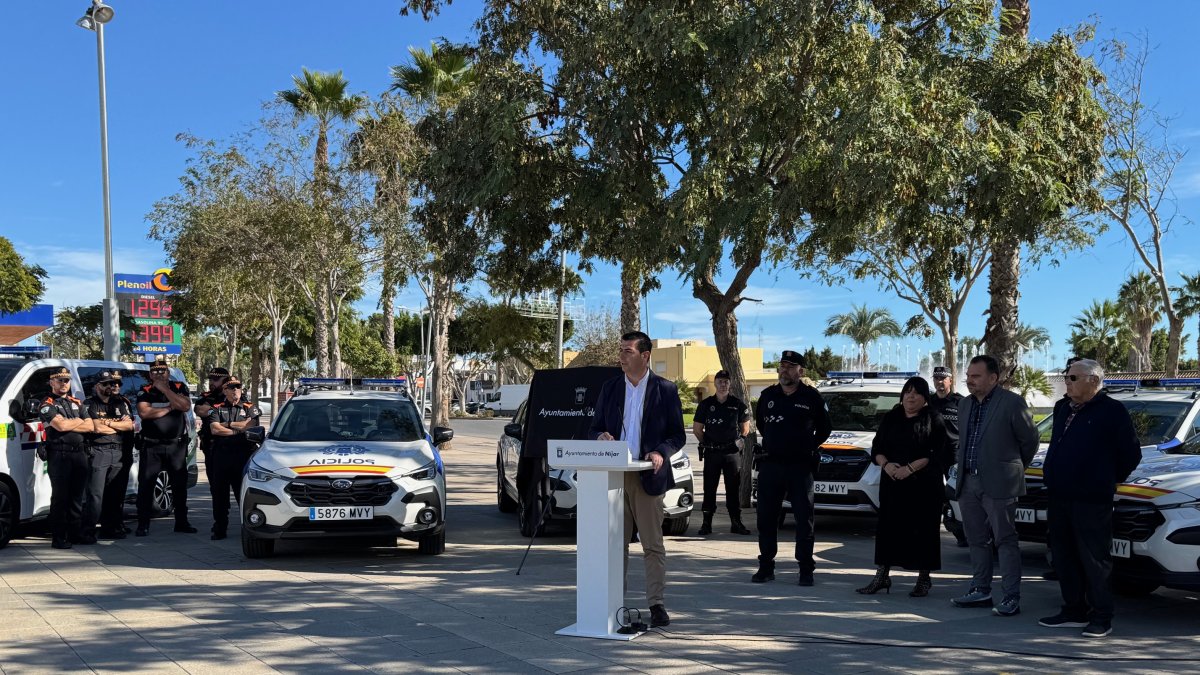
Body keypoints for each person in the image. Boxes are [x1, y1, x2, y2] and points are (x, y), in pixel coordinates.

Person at [589, 331, 686, 628]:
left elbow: (677, 435)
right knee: (616, 544)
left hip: (647, 476)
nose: (622, 356)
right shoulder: (610, 388)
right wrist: (600, 436)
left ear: (645, 356)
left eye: (628, 351)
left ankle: (656, 604)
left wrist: (660, 452)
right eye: (621, 350)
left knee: (652, 545)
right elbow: (593, 427)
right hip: (614, 477)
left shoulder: (665, 389)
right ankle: (614, 601)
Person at [1038, 359, 1140, 638]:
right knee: (1063, 555)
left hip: (1091, 499)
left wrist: (1104, 479)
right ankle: (1073, 610)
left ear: (1093, 381)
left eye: (1072, 378)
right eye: (1066, 377)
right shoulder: (1062, 408)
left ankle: (1101, 616)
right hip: (1059, 495)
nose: (1066, 382)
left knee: (1094, 558)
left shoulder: (1112, 411)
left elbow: (1131, 454)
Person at [951, 355, 1039, 616]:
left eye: (975, 376)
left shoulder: (1012, 403)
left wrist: (1011, 468)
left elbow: (1030, 440)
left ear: (993, 378)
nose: (969, 381)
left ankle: (1011, 596)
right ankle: (980, 589)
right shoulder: (965, 404)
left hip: (1000, 483)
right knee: (976, 539)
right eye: (968, 376)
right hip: (968, 482)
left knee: (1005, 540)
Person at [857, 377, 949, 597]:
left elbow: (938, 452)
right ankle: (882, 576)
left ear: (925, 397)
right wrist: (886, 464)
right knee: (888, 529)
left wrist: (910, 468)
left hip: (923, 486)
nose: (911, 396)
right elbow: (877, 447)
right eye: (907, 391)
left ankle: (924, 579)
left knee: (924, 531)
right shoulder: (891, 417)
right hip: (893, 483)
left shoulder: (933, 418)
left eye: (916, 392)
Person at [752, 350, 833, 586]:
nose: (784, 369)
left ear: (801, 371)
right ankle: (766, 566)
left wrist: (807, 445)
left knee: (803, 519)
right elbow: (762, 425)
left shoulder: (812, 397)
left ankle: (805, 569)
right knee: (766, 518)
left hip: (800, 467)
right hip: (771, 466)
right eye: (782, 365)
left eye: (790, 366)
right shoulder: (768, 396)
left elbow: (825, 428)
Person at [135, 357, 195, 537]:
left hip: (176, 446)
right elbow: (144, 412)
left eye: (162, 371)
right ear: (150, 375)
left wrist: (165, 390)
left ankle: (181, 522)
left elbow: (184, 406)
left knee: (179, 486)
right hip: (152, 446)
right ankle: (143, 524)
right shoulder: (144, 390)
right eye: (155, 372)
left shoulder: (178, 387)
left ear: (168, 373)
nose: (159, 374)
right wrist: (170, 408)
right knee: (146, 486)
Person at [38, 367, 96, 548]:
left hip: (79, 453)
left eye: (66, 380)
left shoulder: (77, 402)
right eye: (60, 380)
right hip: (59, 454)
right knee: (60, 498)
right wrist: (79, 422)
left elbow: (90, 426)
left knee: (77, 497)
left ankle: (75, 533)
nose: (64, 384)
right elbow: (60, 427)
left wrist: (72, 423)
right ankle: (59, 537)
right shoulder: (47, 404)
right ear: (52, 382)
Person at [692, 370, 751, 536]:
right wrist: (708, 443)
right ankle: (706, 523)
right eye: (720, 381)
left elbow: (745, 427)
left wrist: (741, 440)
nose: (723, 384)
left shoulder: (737, 404)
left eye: (726, 381)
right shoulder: (706, 404)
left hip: (731, 453)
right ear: (715, 383)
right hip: (712, 453)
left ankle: (736, 522)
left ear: (730, 384)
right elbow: (697, 429)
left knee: (733, 488)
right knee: (709, 488)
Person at [81, 371, 135, 541]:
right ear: (97, 386)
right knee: (95, 494)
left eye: (112, 384)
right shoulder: (90, 404)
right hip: (99, 451)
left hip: (118, 451)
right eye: (106, 384)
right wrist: (117, 425)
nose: (110, 387)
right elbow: (96, 428)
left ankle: (110, 528)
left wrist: (107, 423)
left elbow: (129, 426)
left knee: (115, 493)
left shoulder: (119, 403)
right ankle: (88, 531)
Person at [206, 377, 261, 540]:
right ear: (225, 391)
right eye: (231, 387)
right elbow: (214, 429)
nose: (235, 390)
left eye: (238, 387)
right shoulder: (217, 408)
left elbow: (251, 426)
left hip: (242, 455)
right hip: (221, 455)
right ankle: (220, 528)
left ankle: (249, 527)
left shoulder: (249, 407)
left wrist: (227, 424)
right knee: (219, 495)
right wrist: (238, 428)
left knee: (243, 494)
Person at [932, 366, 967, 547]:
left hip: (954, 453)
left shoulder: (960, 402)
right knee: (933, 492)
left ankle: (961, 532)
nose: (939, 382)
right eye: (936, 378)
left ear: (950, 381)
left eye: (943, 378)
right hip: (933, 454)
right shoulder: (928, 402)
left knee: (956, 493)